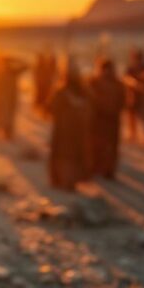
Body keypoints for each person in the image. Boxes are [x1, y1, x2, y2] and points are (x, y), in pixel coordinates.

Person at [48, 57, 92, 191]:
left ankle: (68, 181)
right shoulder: (68, 91)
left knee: (68, 155)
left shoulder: (66, 91)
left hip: (68, 129)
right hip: (69, 128)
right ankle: (68, 181)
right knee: (69, 155)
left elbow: (51, 108)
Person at [87, 57, 125, 178]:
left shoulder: (118, 84)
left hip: (112, 118)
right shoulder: (93, 82)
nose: (107, 72)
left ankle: (109, 170)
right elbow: (88, 98)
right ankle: (96, 167)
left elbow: (122, 101)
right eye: (104, 69)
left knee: (111, 145)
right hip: (97, 118)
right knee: (96, 144)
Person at [0, 53, 28, 140]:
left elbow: (27, 65)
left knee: (9, 117)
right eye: (3, 63)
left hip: (11, 99)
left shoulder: (14, 72)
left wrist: (14, 58)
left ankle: (8, 134)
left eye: (6, 63)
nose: (4, 65)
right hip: (1, 99)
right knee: (1, 117)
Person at [123, 48, 144, 144]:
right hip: (132, 94)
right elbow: (126, 78)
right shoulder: (131, 67)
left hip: (143, 95)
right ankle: (132, 133)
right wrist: (135, 84)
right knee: (131, 114)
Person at [33, 47, 57, 117]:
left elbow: (36, 76)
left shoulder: (41, 67)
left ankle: (44, 112)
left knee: (44, 99)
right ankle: (44, 112)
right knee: (44, 99)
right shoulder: (41, 67)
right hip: (44, 85)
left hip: (44, 86)